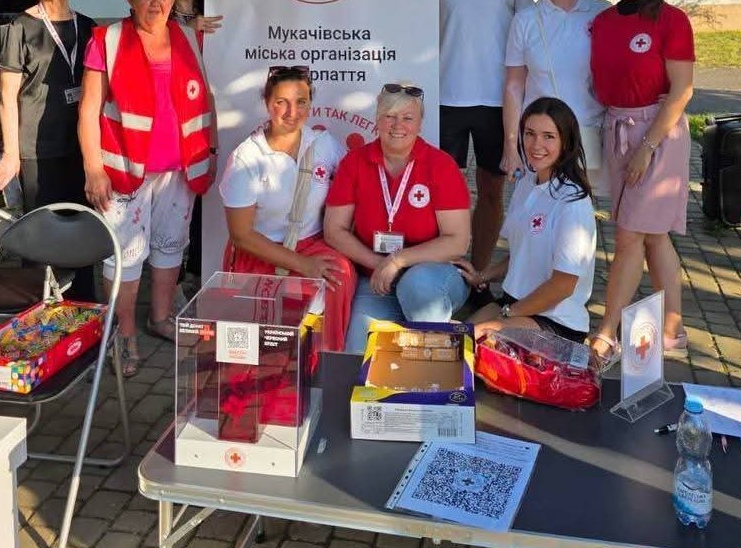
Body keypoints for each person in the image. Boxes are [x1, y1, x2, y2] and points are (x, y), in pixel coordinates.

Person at [78, 0, 218, 376]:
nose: (155, 2)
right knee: (126, 255)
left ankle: (160, 318)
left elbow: (206, 98)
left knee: (170, 245)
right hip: (124, 170)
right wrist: (93, 169)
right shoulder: (107, 40)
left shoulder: (188, 37)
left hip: (179, 168)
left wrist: (211, 149)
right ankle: (123, 334)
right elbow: (88, 110)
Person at [587, 0, 695, 362]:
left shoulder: (672, 20)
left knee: (630, 235)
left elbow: (682, 90)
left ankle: (607, 332)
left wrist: (647, 147)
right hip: (617, 128)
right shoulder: (603, 22)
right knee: (653, 235)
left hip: (658, 133)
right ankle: (672, 329)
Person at [324, 82, 471, 354]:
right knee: (358, 351)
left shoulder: (440, 165)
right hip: (377, 277)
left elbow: (457, 242)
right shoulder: (355, 162)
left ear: (420, 123)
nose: (397, 125)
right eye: (389, 116)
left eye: (407, 118)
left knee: (417, 286)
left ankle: (432, 364)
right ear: (377, 120)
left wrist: (398, 260)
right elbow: (334, 229)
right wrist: (380, 264)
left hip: (432, 275)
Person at [219, 65, 356, 350]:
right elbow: (241, 236)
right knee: (268, 336)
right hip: (261, 251)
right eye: (282, 102)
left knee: (338, 275)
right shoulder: (247, 159)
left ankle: (325, 361)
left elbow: (356, 181)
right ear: (267, 103)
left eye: (301, 102)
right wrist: (304, 266)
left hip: (313, 243)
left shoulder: (323, 144)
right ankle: (269, 369)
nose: (292, 112)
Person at [0, 0, 97, 300]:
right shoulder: (20, 27)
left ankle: (85, 307)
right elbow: (7, 97)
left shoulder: (88, 26)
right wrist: (11, 155)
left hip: (82, 145)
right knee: (41, 236)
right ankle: (38, 312)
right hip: (37, 147)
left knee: (82, 230)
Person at [439, 0, 531, 271]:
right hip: (445, 98)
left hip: (498, 100)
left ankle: (477, 273)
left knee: (492, 190)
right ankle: (445, 270)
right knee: (444, 195)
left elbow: (527, 30)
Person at [457, 97, 597, 343]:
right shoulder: (526, 182)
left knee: (473, 342)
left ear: (566, 142)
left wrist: (507, 315)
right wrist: (482, 276)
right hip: (515, 304)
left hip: (555, 320)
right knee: (455, 338)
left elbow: (563, 284)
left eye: (548, 136)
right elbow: (521, 253)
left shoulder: (572, 202)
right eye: (530, 133)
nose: (536, 144)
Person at [502, 0, 610, 195]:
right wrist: (510, 145)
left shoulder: (603, 13)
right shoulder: (525, 20)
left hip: (589, 134)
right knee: (536, 211)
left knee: (579, 210)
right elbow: (514, 86)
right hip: (539, 140)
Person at [160, 0, 222, 289]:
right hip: (173, 118)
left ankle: (198, 266)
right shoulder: (155, 12)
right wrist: (188, 28)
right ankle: (169, 269)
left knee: (204, 192)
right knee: (174, 198)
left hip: (209, 116)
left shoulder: (216, 12)